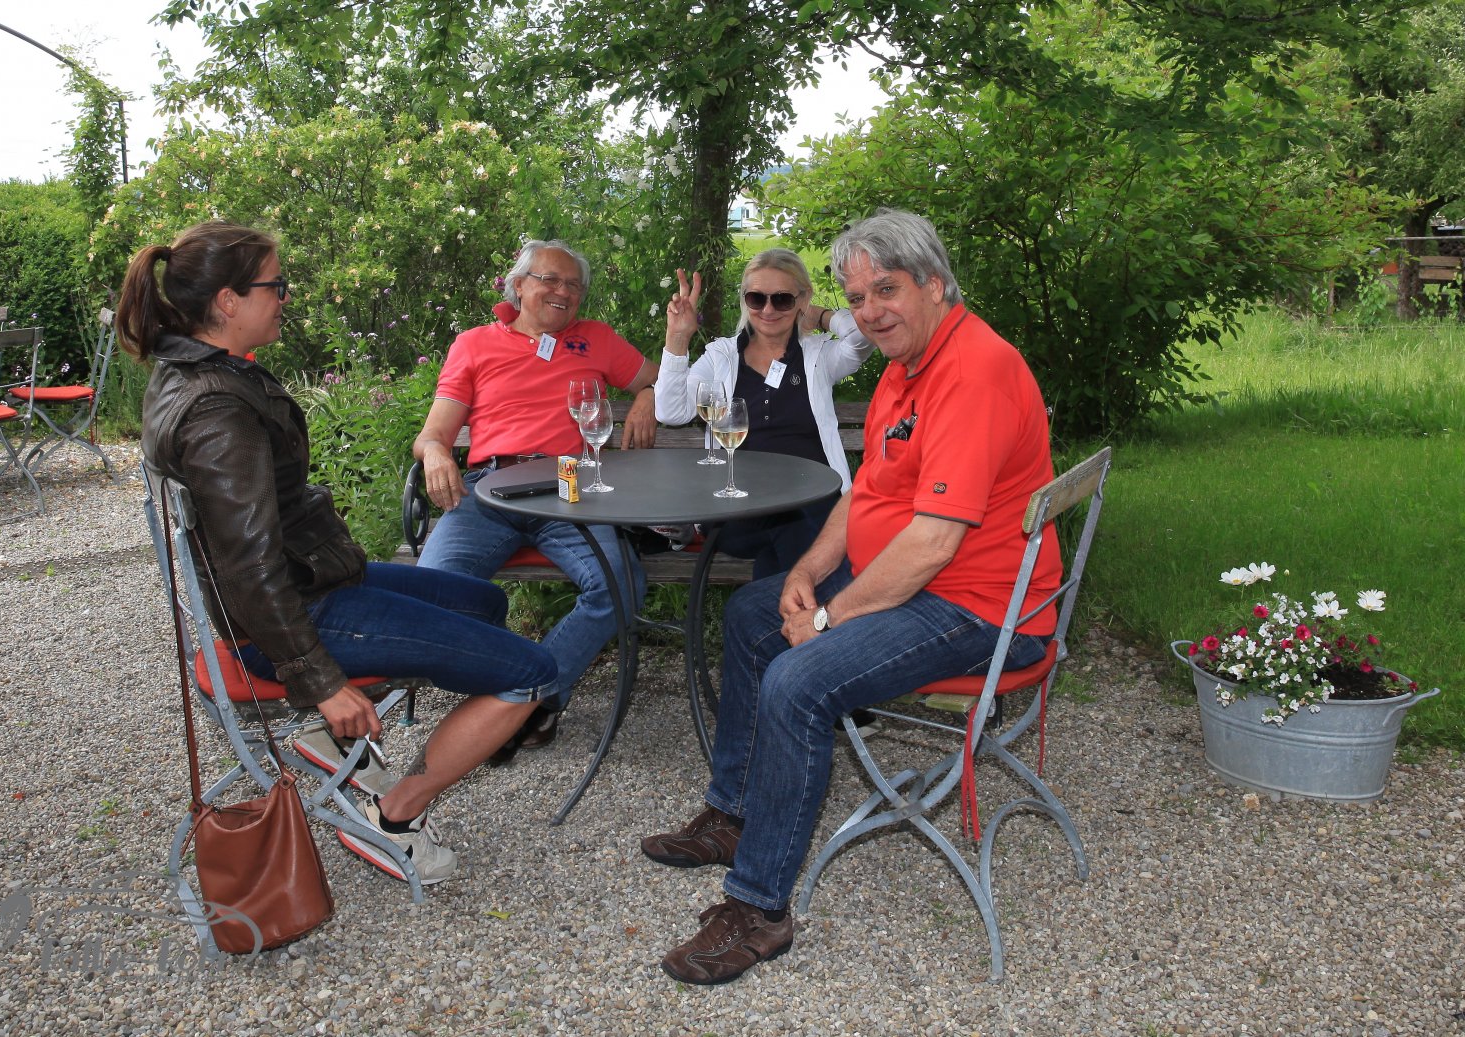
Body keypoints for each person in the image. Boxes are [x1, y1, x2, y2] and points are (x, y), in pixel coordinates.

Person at [640, 209, 1063, 984]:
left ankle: (760, 907)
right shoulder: (910, 363)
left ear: (934, 284)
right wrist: (805, 574)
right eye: (858, 297)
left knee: (798, 679)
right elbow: (865, 493)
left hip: (982, 608)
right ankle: (733, 813)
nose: (870, 311)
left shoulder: (973, 372)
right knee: (754, 612)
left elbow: (933, 544)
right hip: (920, 579)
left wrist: (830, 616)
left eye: (886, 290)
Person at [125, 220, 559, 887]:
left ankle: (333, 745)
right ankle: (397, 814)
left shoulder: (198, 371)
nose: (285, 297)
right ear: (228, 301)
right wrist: (322, 683)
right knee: (531, 671)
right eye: (275, 285)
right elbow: (249, 567)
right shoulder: (216, 413)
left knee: (484, 601)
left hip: (310, 582)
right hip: (290, 618)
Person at [413, 240, 658, 763]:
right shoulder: (475, 344)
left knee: (621, 584)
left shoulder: (595, 339)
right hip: (490, 489)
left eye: (573, 285)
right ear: (519, 285)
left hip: (570, 486)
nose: (563, 291)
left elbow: (661, 380)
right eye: (550, 279)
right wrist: (435, 453)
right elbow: (434, 433)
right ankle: (518, 683)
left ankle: (525, 700)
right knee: (431, 597)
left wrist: (646, 397)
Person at [655, 248, 875, 579]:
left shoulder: (818, 356)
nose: (768, 310)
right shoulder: (721, 357)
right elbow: (671, 412)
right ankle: (808, 604)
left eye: (783, 299)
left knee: (790, 536)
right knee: (796, 525)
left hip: (814, 499)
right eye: (756, 299)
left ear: (802, 298)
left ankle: (772, 606)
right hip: (739, 507)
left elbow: (862, 336)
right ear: (745, 301)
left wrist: (819, 315)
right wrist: (677, 337)